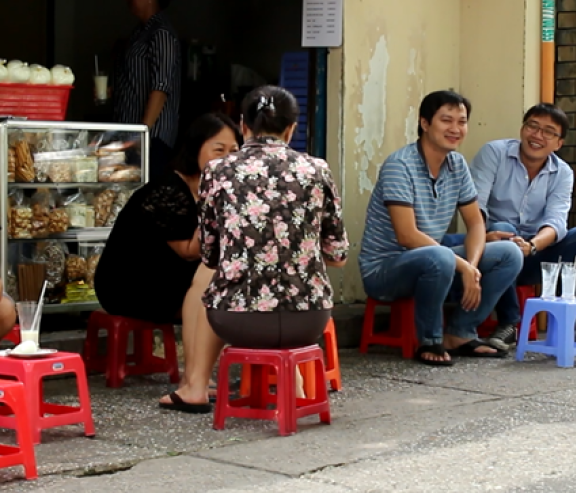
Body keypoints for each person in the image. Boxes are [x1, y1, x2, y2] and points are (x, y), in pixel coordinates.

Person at [160, 86, 348, 412]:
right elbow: (337, 255)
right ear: (291, 129)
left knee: (210, 282)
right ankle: (297, 393)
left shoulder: (218, 171)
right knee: (283, 289)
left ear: (244, 126)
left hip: (237, 319)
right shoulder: (317, 169)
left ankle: (194, 387)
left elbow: (210, 253)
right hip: (308, 319)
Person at [445, 103, 576, 353]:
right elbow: (475, 206)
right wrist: (490, 237)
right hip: (492, 251)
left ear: (558, 143)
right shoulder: (495, 153)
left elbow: (556, 221)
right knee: (500, 229)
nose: (537, 136)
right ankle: (510, 322)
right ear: (522, 129)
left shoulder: (562, 172)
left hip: (537, 254)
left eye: (548, 132)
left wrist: (532, 246)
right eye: (533, 126)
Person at [358, 90, 524, 367]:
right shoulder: (400, 165)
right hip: (385, 270)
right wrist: (464, 267)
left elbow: (475, 222)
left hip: (435, 261)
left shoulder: (457, 164)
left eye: (462, 121)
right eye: (447, 120)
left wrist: (472, 266)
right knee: (441, 256)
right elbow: (407, 235)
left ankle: (459, 332)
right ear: (425, 123)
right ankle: (430, 339)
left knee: (509, 253)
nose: (455, 129)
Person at [95, 113, 241, 395]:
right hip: (131, 284)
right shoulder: (167, 190)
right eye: (218, 151)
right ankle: (197, 377)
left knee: (223, 283)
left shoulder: (217, 187)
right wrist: (215, 205)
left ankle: (203, 374)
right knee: (212, 287)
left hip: (172, 277)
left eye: (234, 152)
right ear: (195, 149)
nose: (227, 159)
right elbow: (188, 252)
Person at [112, 0, 181, 180]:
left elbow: (161, 88)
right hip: (130, 134)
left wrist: (142, 134)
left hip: (151, 138)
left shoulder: (161, 34)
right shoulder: (139, 32)